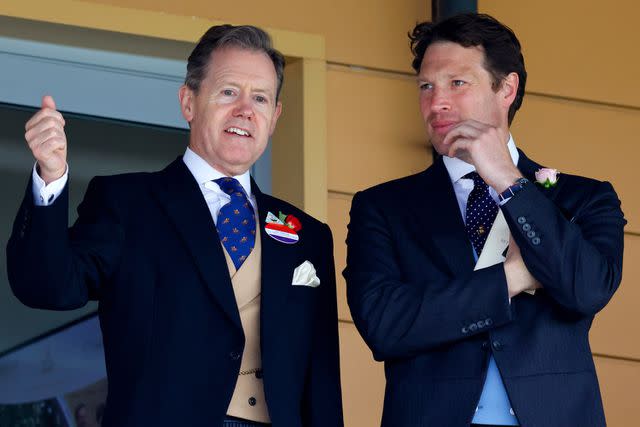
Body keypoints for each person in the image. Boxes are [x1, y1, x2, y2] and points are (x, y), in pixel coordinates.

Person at [7, 25, 343, 427]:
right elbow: (48, 286)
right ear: (188, 102)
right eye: (228, 92)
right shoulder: (128, 204)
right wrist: (50, 176)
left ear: (274, 117)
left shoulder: (309, 236)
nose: (245, 110)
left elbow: (321, 378)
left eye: (260, 98)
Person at [344, 13, 625, 427]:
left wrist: (510, 182)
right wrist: (511, 279)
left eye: (457, 83)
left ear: (506, 88)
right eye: (426, 86)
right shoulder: (383, 207)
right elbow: (385, 326)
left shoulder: (583, 198)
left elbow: (587, 289)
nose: (436, 102)